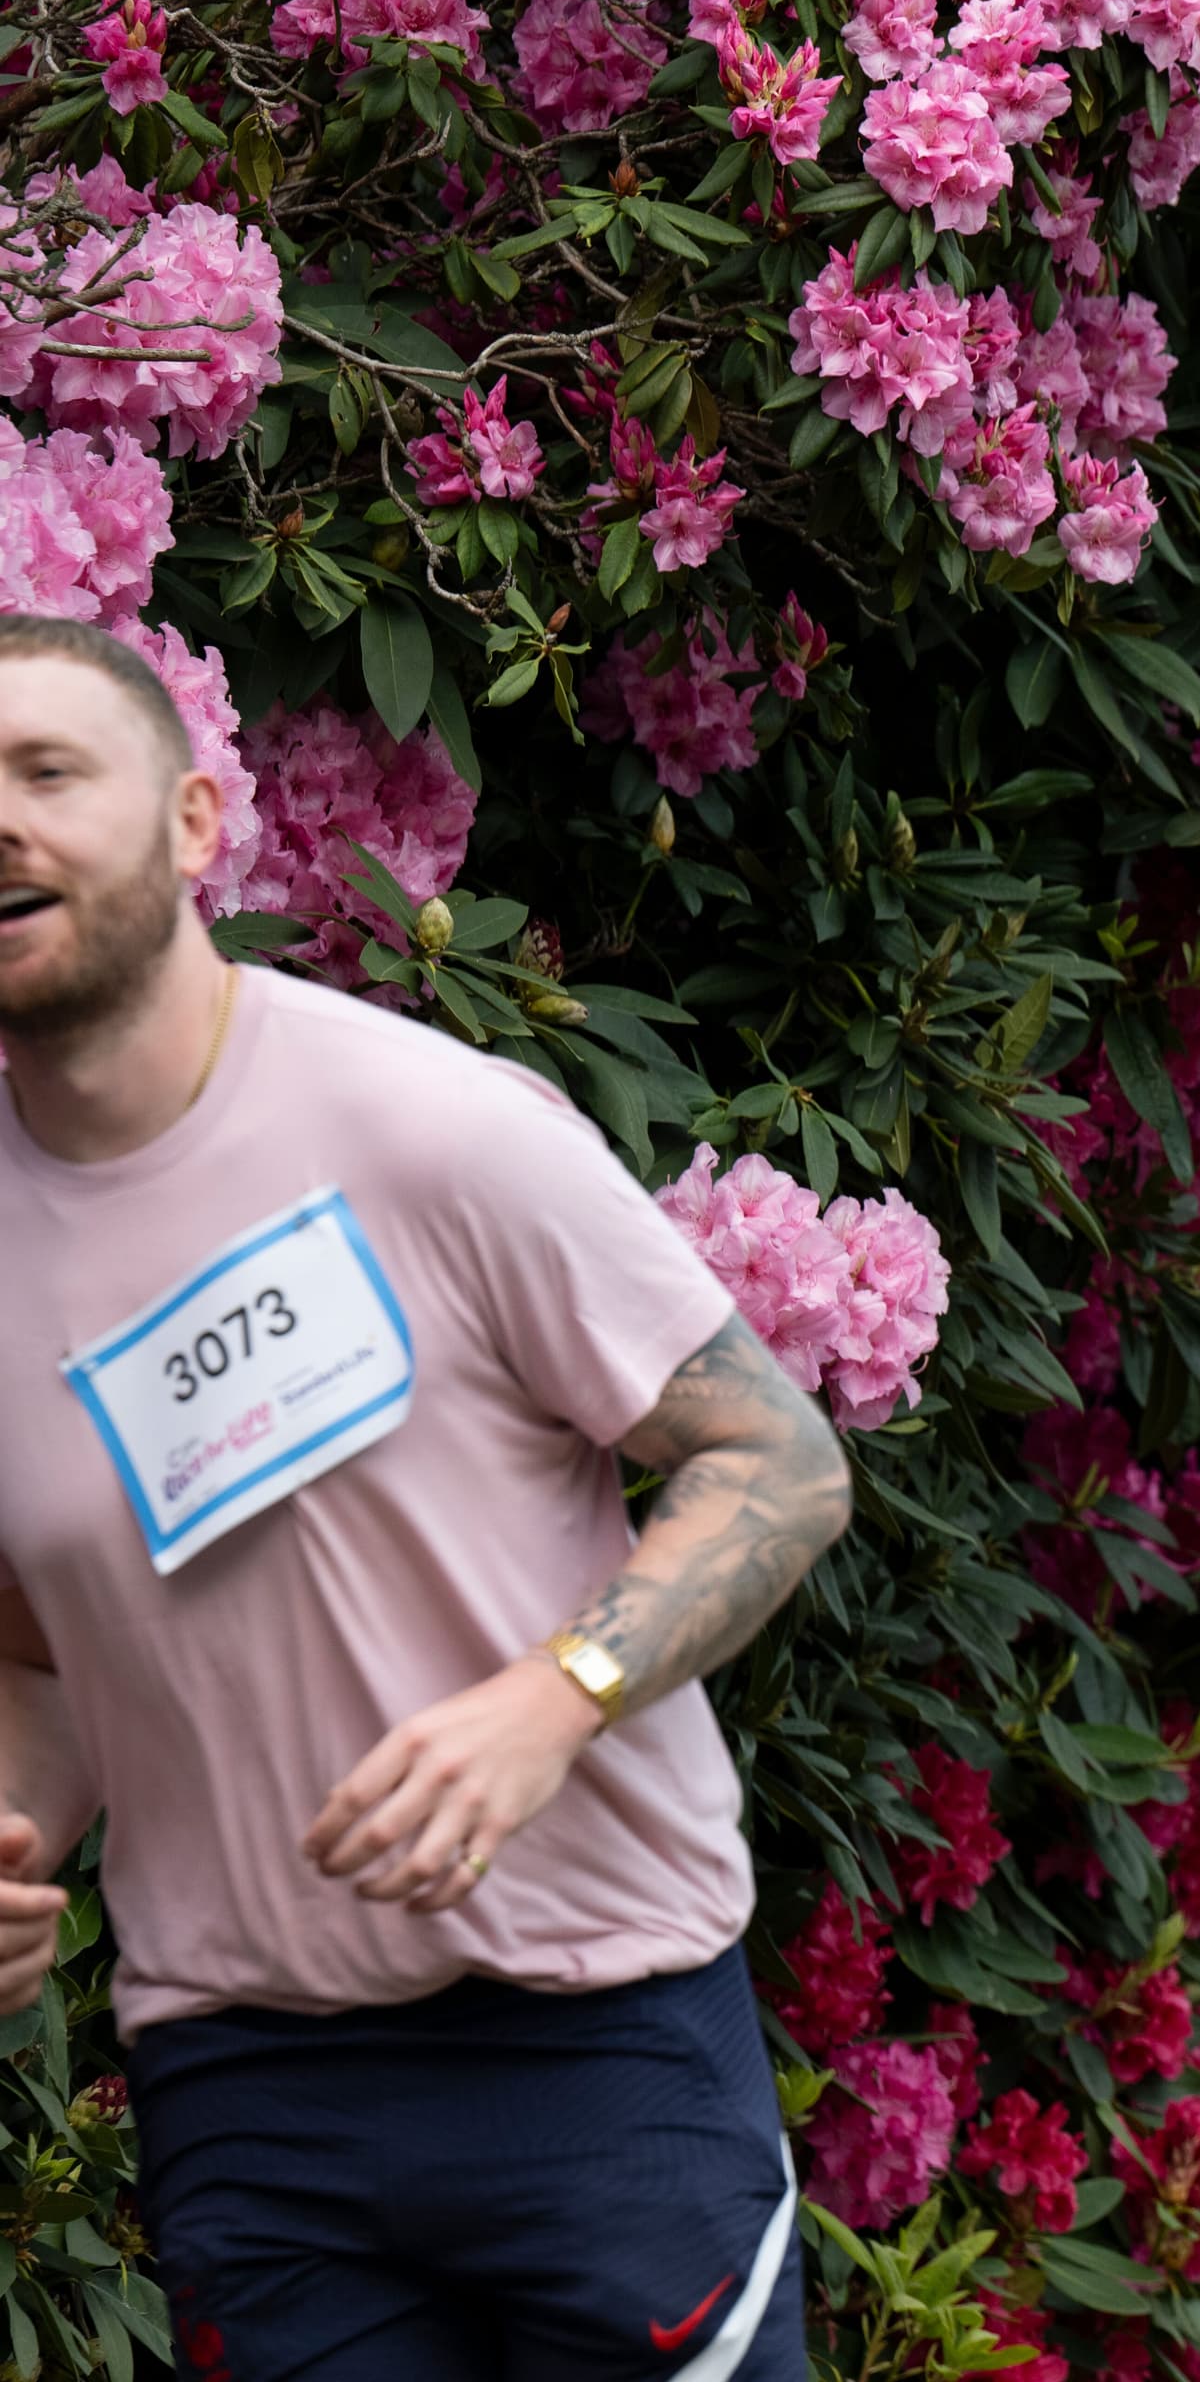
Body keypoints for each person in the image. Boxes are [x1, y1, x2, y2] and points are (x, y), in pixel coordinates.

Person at [0, 614, 852, 2382]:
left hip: (596, 2041)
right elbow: (48, 1652)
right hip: (247, 2094)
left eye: (48, 773)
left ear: (192, 820)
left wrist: (562, 1698)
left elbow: (777, 1461)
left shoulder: (435, 1131)